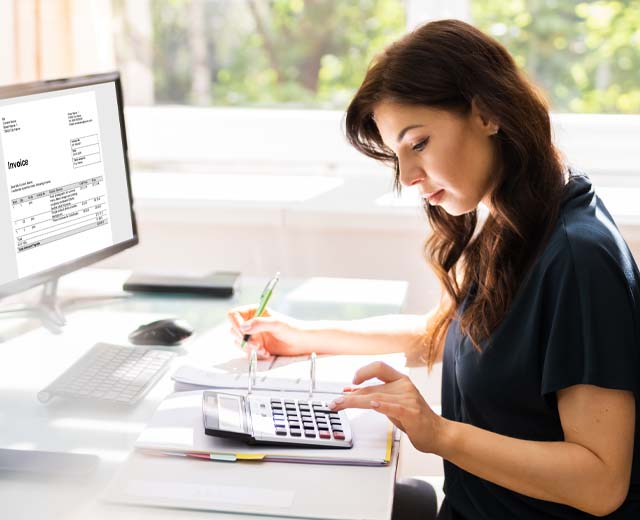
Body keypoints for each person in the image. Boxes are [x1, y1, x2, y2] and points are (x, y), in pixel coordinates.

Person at [227, 19, 640, 520]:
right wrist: (304, 336)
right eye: (396, 156)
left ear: (487, 112)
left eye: (418, 144)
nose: (408, 177)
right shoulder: (516, 215)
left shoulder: (577, 258)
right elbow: (448, 333)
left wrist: (436, 432)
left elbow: (601, 482)